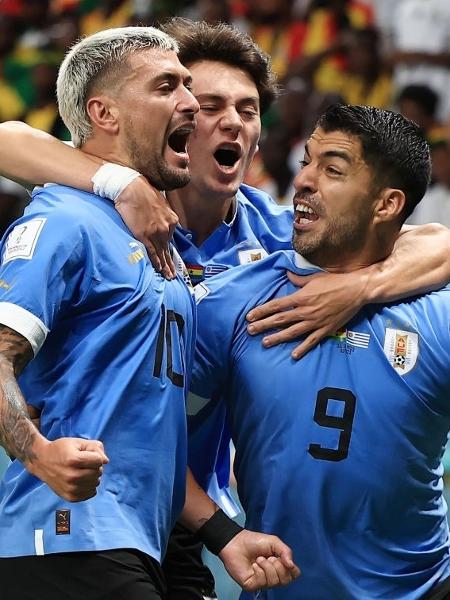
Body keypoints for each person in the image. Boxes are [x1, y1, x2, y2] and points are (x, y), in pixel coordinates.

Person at [1, 19, 450, 599]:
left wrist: (360, 287)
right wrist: (116, 181)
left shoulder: (274, 234)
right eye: (203, 101)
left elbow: (427, 236)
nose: (228, 119)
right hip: (86, 515)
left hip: (192, 522)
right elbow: (10, 139)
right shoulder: (98, 217)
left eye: (248, 107)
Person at [0, 25, 300, 600]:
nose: (196, 108)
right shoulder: (69, 219)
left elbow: (145, 422)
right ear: (106, 113)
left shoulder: (233, 239)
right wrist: (37, 453)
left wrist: (224, 534)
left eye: (246, 107)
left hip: (151, 532)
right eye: (176, 90)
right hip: (70, 533)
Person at [190, 103, 450, 599]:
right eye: (306, 160)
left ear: (386, 204)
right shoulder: (234, 302)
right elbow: (145, 432)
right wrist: (222, 532)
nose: (304, 179)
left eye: (332, 169)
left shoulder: (436, 316)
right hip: (277, 588)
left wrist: (362, 287)